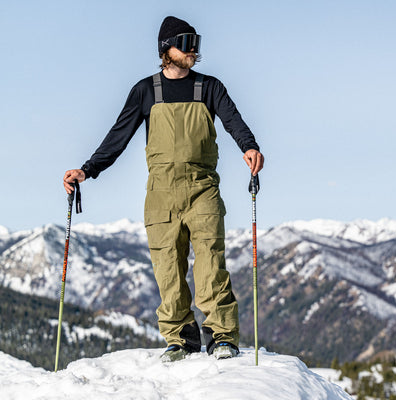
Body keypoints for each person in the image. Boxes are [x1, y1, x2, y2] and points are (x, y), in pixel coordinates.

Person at [63, 16, 264, 362]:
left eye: (196, 43)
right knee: (167, 267)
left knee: (210, 263)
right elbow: (119, 135)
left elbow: (233, 120)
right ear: (165, 49)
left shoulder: (209, 87)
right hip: (161, 193)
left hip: (203, 189)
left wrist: (249, 145)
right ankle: (180, 338)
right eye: (186, 44)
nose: (193, 51)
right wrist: (87, 170)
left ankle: (221, 336)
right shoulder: (146, 91)